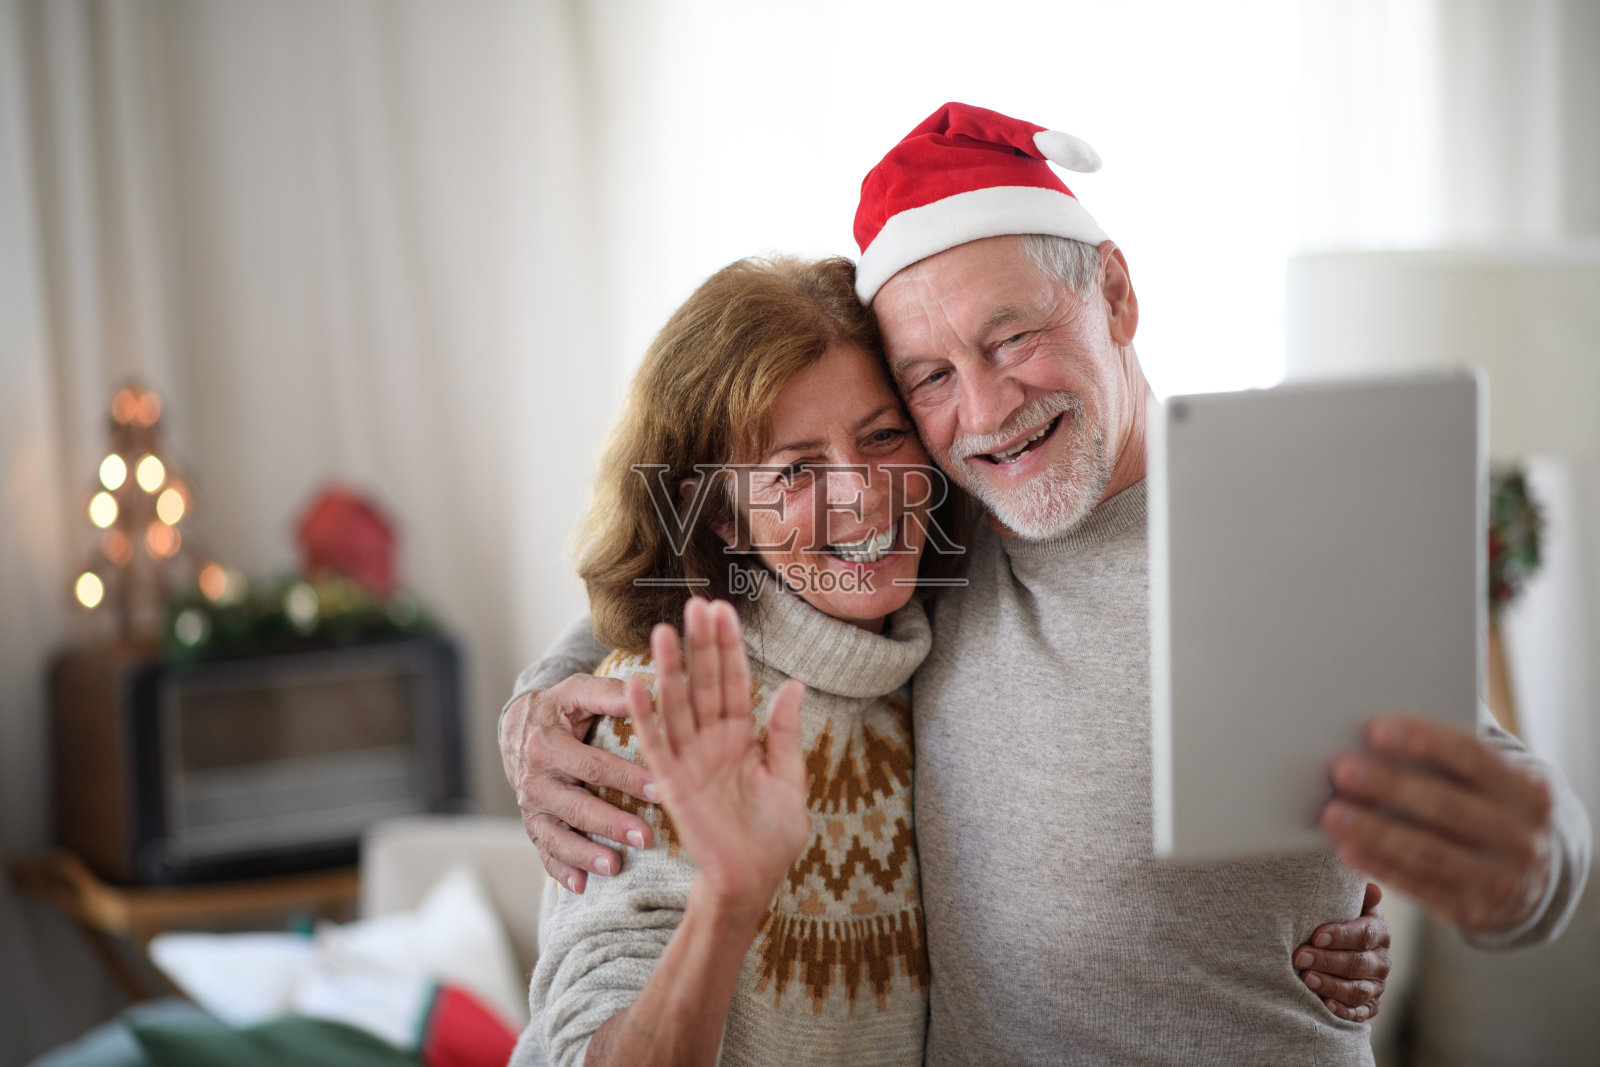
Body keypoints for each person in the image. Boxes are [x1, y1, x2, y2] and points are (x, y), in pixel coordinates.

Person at [504, 104, 1586, 1063]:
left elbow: (1505, 796)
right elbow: (710, 565)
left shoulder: (1277, 512)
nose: (983, 409)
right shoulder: (940, 518)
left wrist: (1529, 867)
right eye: (929, 377)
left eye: (1011, 336)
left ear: (1114, 293)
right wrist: (537, 707)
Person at [513, 255, 952, 1066]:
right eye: (797, 470)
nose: (862, 493)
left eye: (883, 435)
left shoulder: (936, 640)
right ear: (719, 517)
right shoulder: (652, 718)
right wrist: (729, 902)